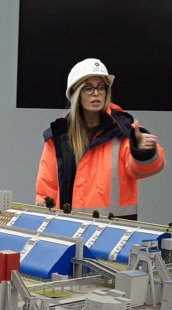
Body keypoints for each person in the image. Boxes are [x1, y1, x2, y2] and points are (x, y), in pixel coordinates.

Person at [35, 58, 165, 220]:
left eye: (101, 87)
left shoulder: (122, 130)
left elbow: (144, 169)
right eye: (88, 88)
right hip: (70, 228)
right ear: (76, 94)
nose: (96, 93)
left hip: (116, 229)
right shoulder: (58, 137)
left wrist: (142, 151)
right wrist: (45, 225)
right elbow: (46, 190)